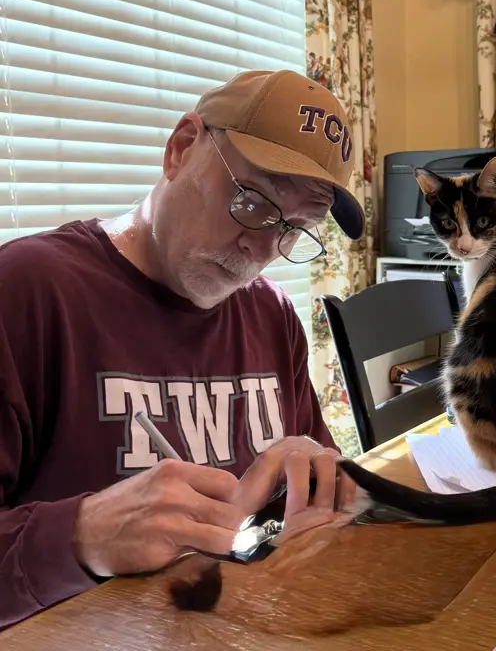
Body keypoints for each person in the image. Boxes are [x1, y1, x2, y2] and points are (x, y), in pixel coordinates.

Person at [0, 69, 365, 629]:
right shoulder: (26, 292)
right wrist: (80, 536)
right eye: (251, 202)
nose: (263, 248)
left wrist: (315, 494)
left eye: (293, 229)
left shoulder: (270, 314)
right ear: (181, 148)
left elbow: (308, 485)